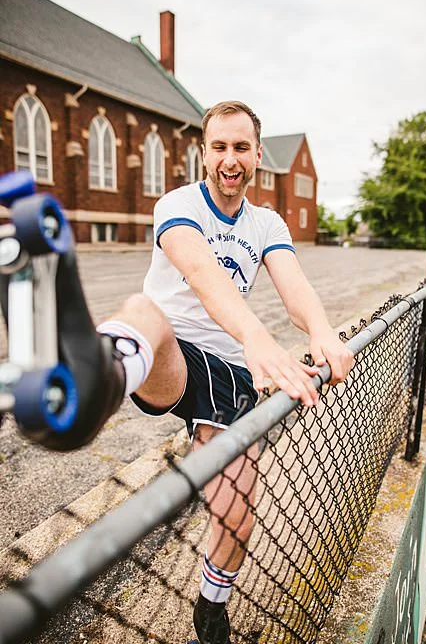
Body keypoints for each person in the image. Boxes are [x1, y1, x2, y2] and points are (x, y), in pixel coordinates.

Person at [92, 100, 353, 643]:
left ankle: (211, 612)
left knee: (237, 509)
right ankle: (88, 383)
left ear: (258, 154)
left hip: (228, 375)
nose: (230, 159)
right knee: (142, 311)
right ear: (203, 153)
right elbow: (200, 270)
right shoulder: (177, 204)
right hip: (172, 355)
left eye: (241, 147)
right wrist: (257, 336)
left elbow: (294, 285)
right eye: (219, 147)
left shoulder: (267, 223)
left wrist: (321, 330)